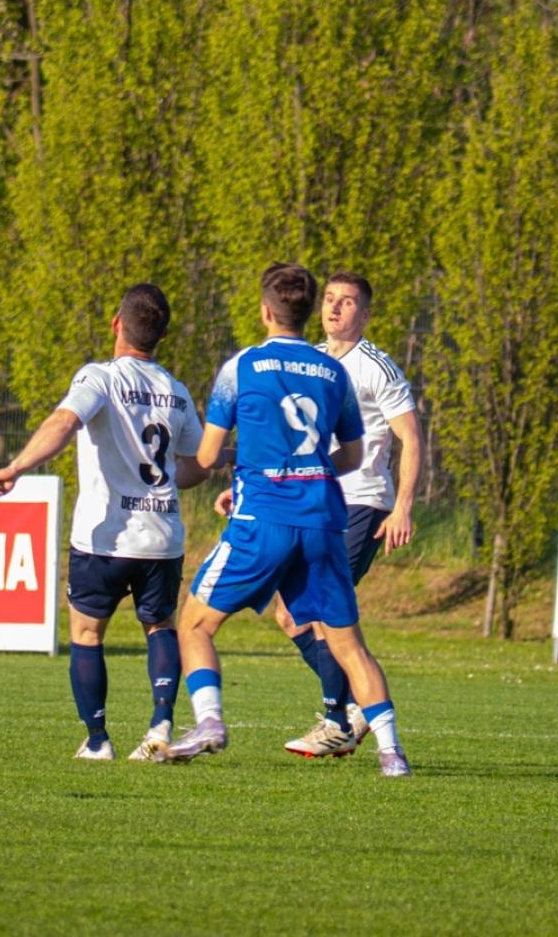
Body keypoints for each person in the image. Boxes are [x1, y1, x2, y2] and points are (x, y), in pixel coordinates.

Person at [157, 262, 412, 776]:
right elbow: (352, 456)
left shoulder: (241, 366)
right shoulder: (334, 372)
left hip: (264, 519)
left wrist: (208, 470)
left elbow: (206, 458)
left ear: (266, 310)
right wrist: (304, 469)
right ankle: (392, 754)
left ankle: (209, 722)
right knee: (346, 641)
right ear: (307, 310)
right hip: (322, 517)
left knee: (195, 624)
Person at [0, 283, 209, 762]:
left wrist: (16, 467)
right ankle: (161, 723)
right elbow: (193, 468)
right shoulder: (177, 390)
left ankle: (98, 739)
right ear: (162, 335)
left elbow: (65, 423)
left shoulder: (99, 377)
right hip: (161, 538)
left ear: (116, 324)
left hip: (103, 537)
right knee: (160, 627)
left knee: (87, 635)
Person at [277, 271, 422, 758]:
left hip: (361, 500)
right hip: (311, 498)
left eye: (348, 302)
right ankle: (358, 706)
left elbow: (412, 437)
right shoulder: (309, 360)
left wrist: (402, 506)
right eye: (330, 299)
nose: (335, 308)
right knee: (289, 613)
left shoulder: (376, 367)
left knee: (323, 608)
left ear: (366, 314)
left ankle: (338, 718)